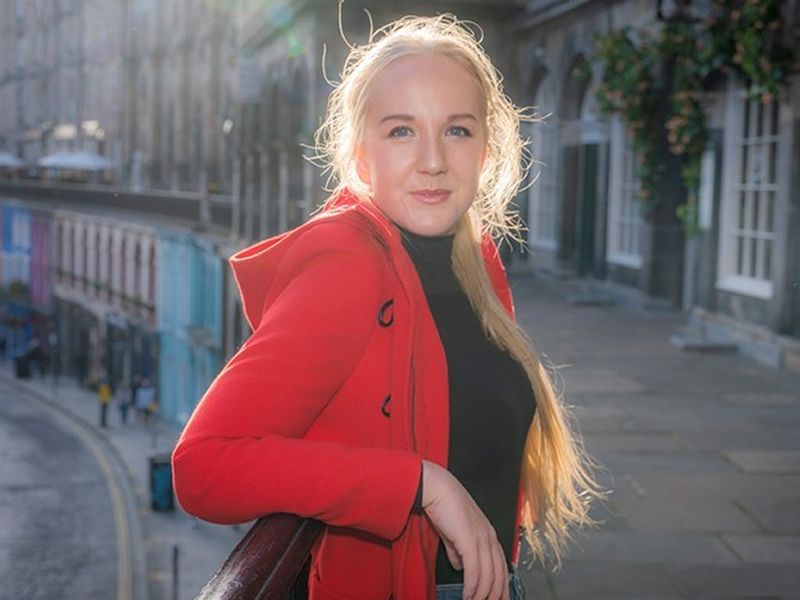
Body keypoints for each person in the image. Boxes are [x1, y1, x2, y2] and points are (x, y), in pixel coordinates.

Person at [172, 13, 603, 600]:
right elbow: (204, 466)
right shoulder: (346, 266)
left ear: (486, 149)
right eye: (401, 131)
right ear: (360, 155)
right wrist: (420, 484)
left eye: (457, 130)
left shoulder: (473, 260)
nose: (432, 160)